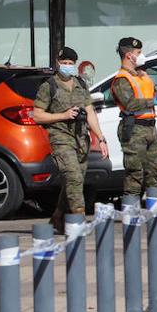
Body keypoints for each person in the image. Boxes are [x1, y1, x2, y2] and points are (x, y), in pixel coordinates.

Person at [33, 46, 107, 233]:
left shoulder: (80, 84)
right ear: (58, 63)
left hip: (81, 139)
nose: (67, 66)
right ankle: (78, 220)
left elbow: (90, 112)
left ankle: (58, 218)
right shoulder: (48, 86)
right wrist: (63, 115)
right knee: (73, 177)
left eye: (70, 63)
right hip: (61, 138)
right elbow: (38, 116)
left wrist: (101, 138)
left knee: (74, 181)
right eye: (64, 63)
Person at [111, 36, 157, 197]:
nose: (142, 55)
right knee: (135, 173)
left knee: (156, 171)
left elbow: (151, 92)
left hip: (150, 127)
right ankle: (131, 212)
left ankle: (155, 209)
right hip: (134, 128)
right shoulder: (121, 79)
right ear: (129, 55)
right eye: (139, 52)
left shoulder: (141, 74)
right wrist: (152, 100)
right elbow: (130, 104)